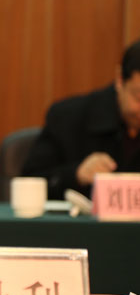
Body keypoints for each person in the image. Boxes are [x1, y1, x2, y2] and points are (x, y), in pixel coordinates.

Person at [22, 39, 140, 200]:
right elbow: (30, 182)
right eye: (138, 98)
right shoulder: (67, 117)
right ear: (120, 80)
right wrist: (77, 174)